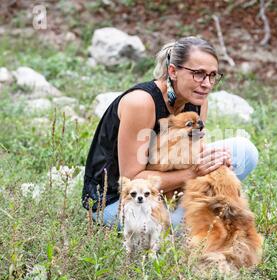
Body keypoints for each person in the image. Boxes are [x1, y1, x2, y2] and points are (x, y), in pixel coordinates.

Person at [82, 36, 259, 228]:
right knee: (171, 226)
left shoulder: (198, 99)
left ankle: (195, 214)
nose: (207, 83)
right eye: (198, 74)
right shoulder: (141, 102)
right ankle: (193, 218)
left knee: (245, 152)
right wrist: (193, 173)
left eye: (212, 75)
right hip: (119, 199)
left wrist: (214, 161)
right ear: (173, 71)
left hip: (169, 187)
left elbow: (195, 152)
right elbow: (133, 179)